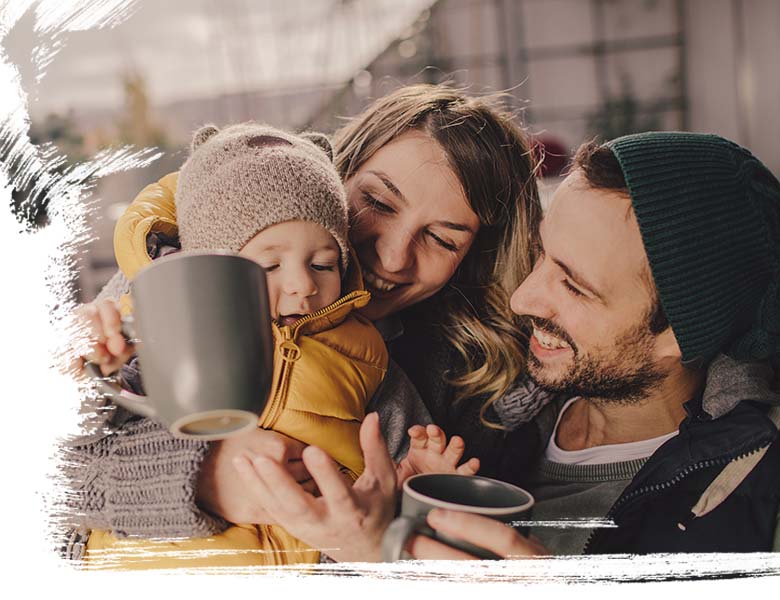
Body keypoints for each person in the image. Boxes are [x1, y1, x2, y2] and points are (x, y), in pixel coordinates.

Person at [228, 131, 780, 560]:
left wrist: (379, 560)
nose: (522, 299)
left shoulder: (748, 510)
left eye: (573, 285)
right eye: (542, 255)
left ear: (680, 337)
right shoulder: (484, 396)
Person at [60, 84, 547, 559]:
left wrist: (409, 500)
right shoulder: (177, 282)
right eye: (377, 202)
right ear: (336, 175)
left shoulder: (463, 385)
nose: (395, 257)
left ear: (474, 259)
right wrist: (199, 477)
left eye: (442, 239)